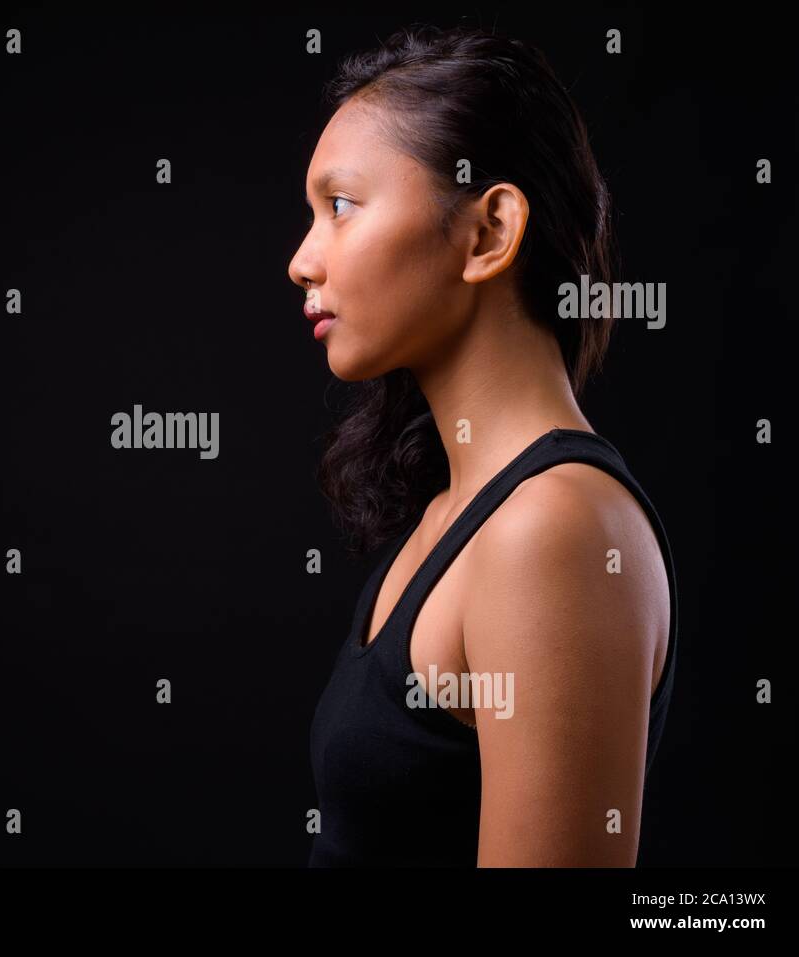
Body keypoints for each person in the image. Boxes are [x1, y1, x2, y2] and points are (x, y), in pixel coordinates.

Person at [290, 24, 678, 866]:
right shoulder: (449, 516)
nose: (302, 261)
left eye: (341, 206)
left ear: (489, 231)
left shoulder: (555, 530)